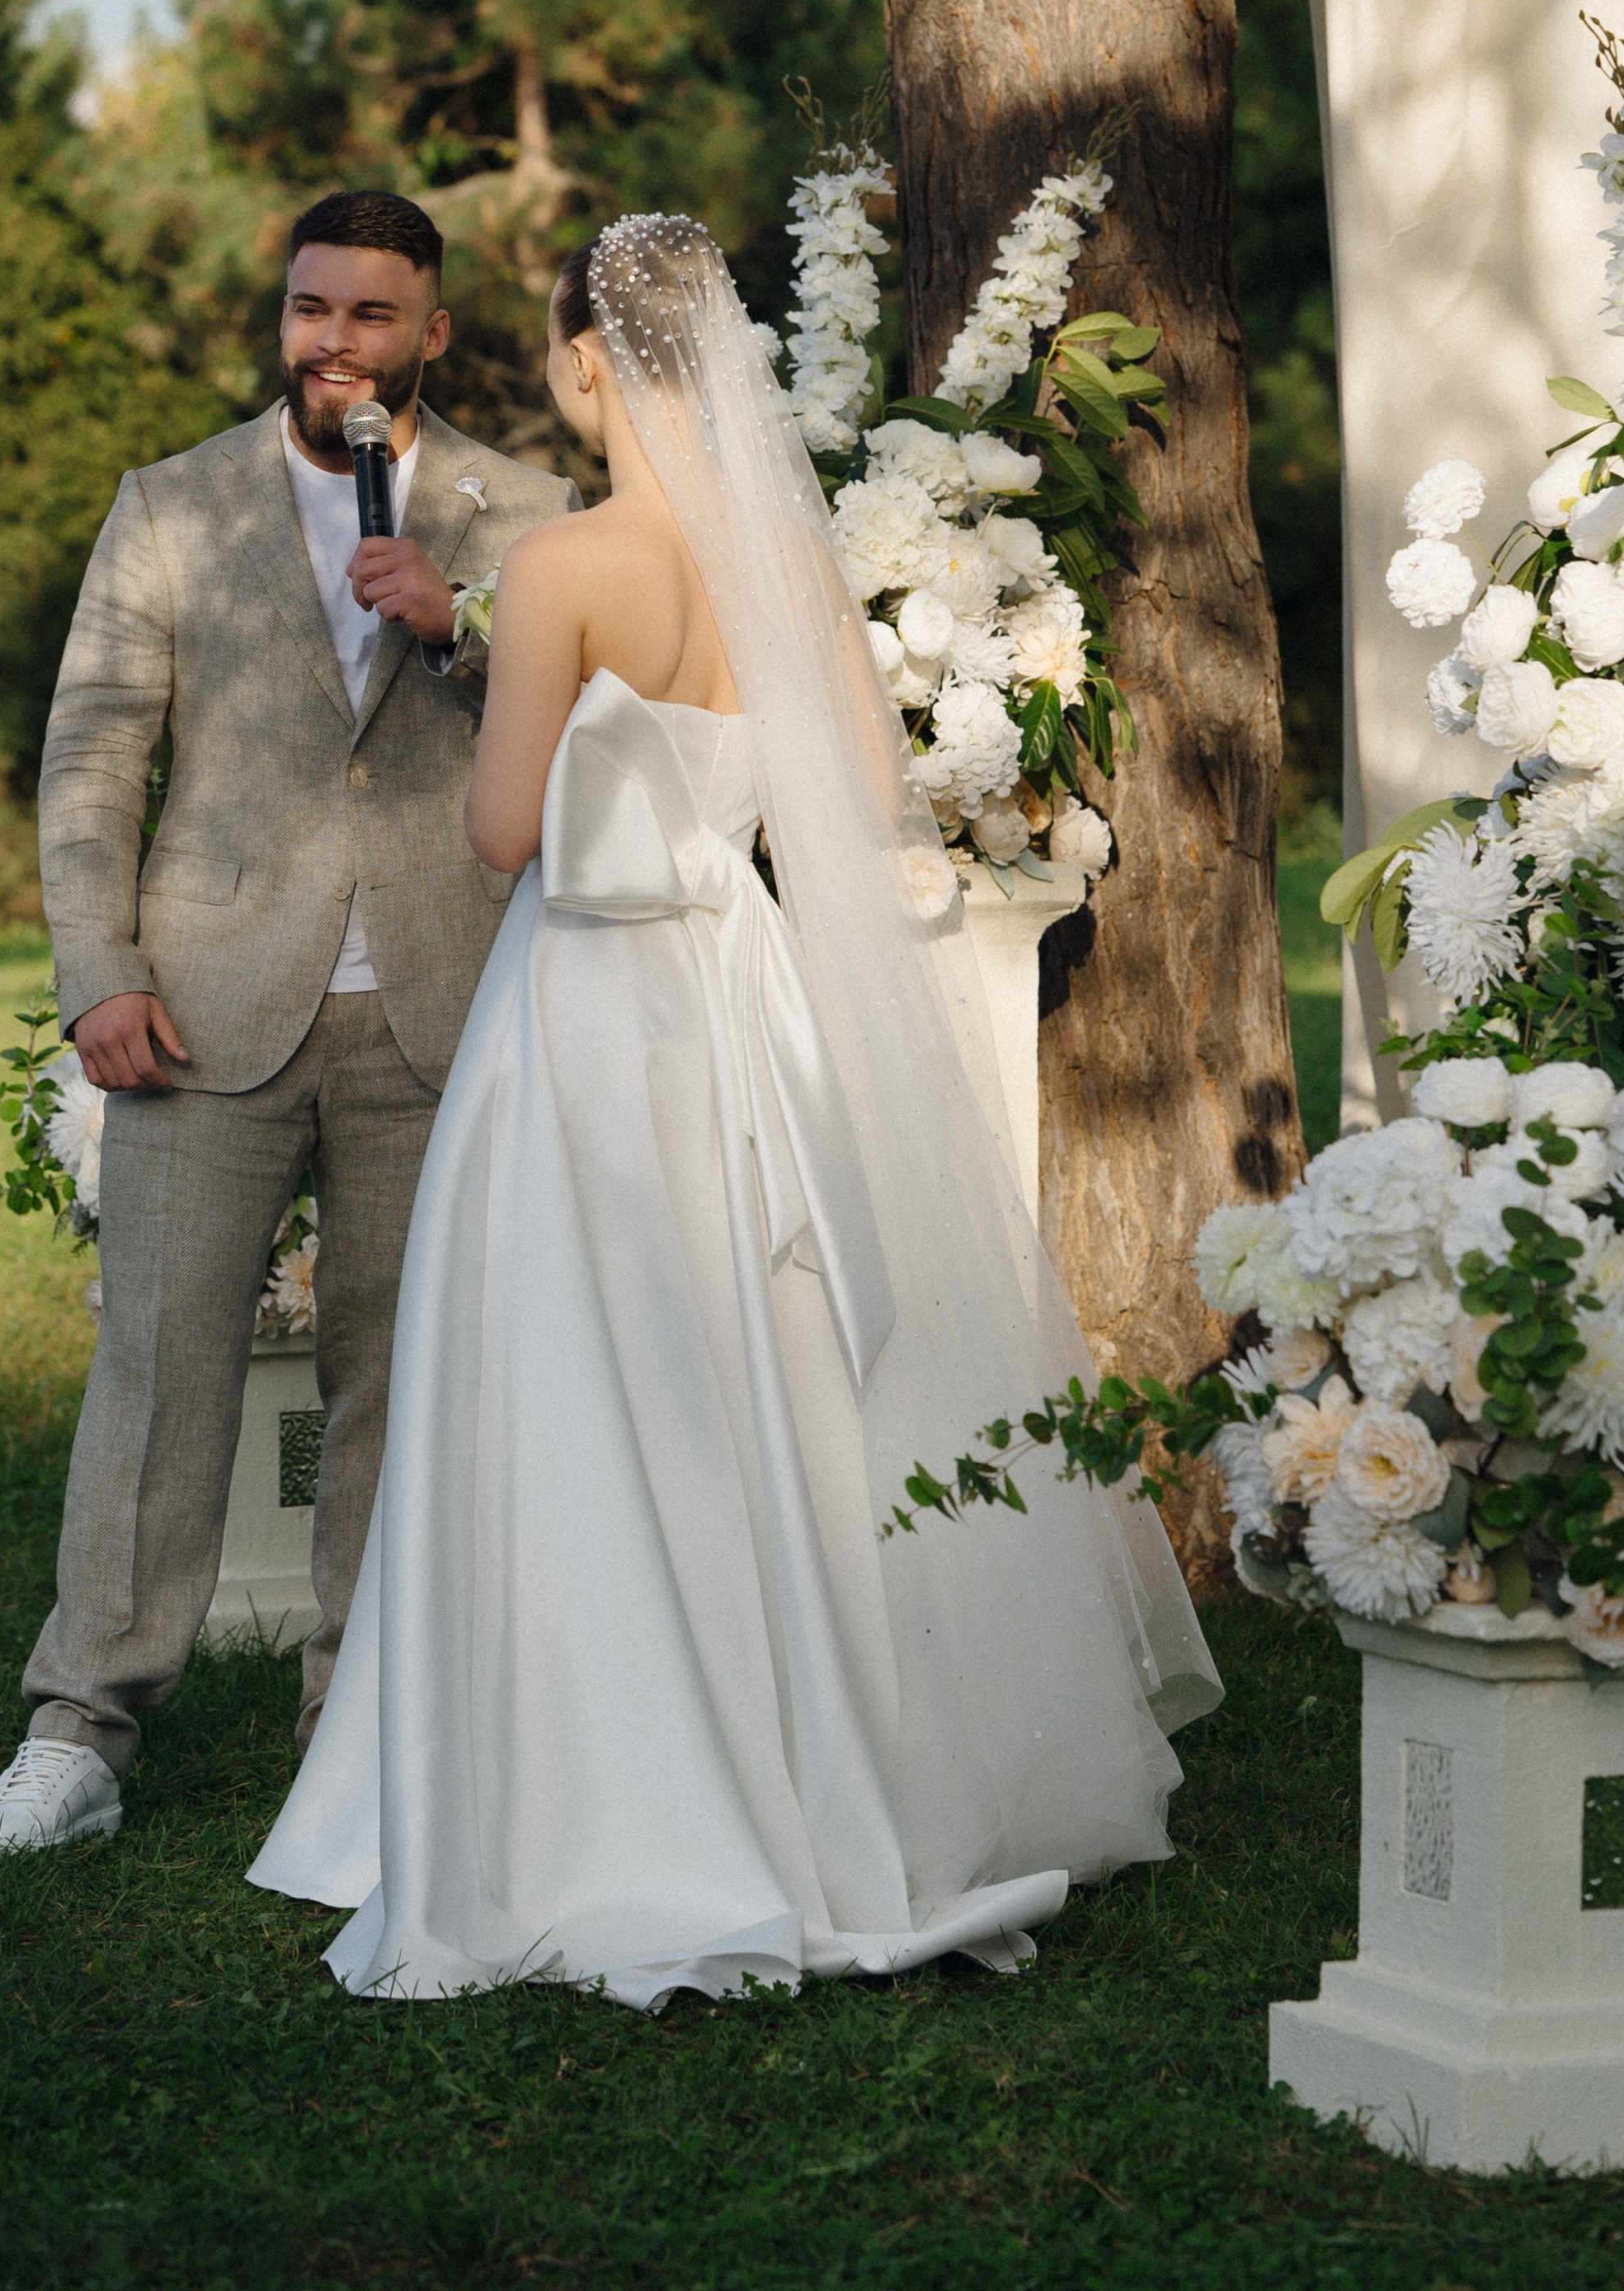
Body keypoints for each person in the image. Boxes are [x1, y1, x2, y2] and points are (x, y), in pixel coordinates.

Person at [250, 212, 1220, 2003]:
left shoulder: (558, 564)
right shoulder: (789, 558)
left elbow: (501, 829)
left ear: (583, 365)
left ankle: (600, 1788)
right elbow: (856, 793)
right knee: (776, 1373)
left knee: (571, 1369)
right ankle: (831, 1774)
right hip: (741, 995)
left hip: (596, 1003)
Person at [0, 191, 579, 1853]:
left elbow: (592, 729)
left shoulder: (526, 513)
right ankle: (81, 1723)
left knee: (397, 1383)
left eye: (374, 313)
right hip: (209, 1004)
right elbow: (92, 754)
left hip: (444, 1008)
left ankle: (356, 1727)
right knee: (158, 1366)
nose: (336, 340)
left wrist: (460, 620)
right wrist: (99, 969)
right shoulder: (168, 506)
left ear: (432, 333)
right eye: (313, 307)